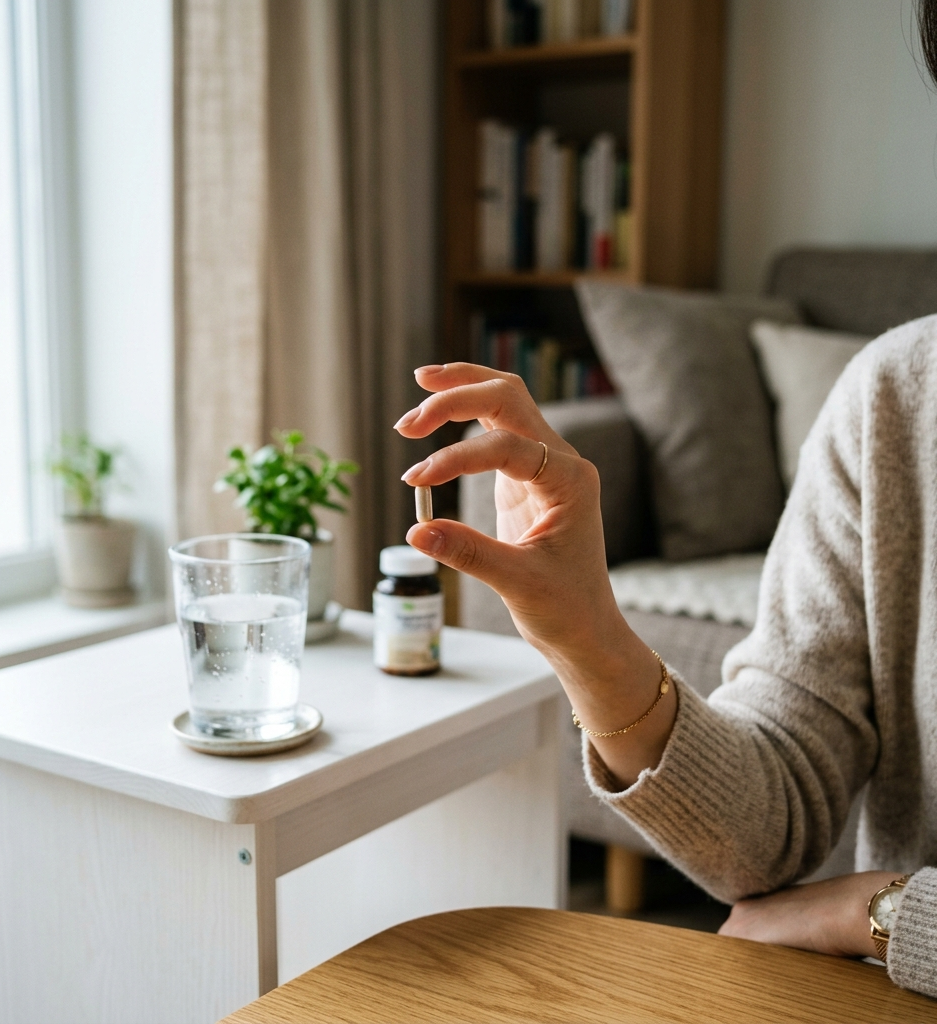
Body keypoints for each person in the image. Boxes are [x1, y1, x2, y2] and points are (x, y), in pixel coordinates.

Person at [394, 8, 937, 1000]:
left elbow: (818, 902)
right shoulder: (898, 397)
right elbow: (764, 840)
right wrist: (592, 639)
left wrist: (887, 911)